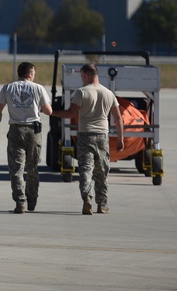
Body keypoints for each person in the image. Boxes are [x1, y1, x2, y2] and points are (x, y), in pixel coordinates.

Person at [50, 63, 124, 215]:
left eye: (83, 76)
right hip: (102, 136)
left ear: (88, 75)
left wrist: (52, 113)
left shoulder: (81, 92)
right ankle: (102, 204)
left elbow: (70, 113)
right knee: (102, 171)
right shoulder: (109, 93)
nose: (82, 79)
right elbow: (118, 118)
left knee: (85, 169)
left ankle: (87, 199)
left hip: (85, 135)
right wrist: (120, 139)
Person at [0, 62, 52, 213]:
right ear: (30, 74)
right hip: (33, 131)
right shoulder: (38, 88)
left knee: (16, 169)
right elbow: (49, 111)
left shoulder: (8, 88)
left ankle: (20, 201)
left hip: (15, 130)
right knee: (32, 168)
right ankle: (32, 200)